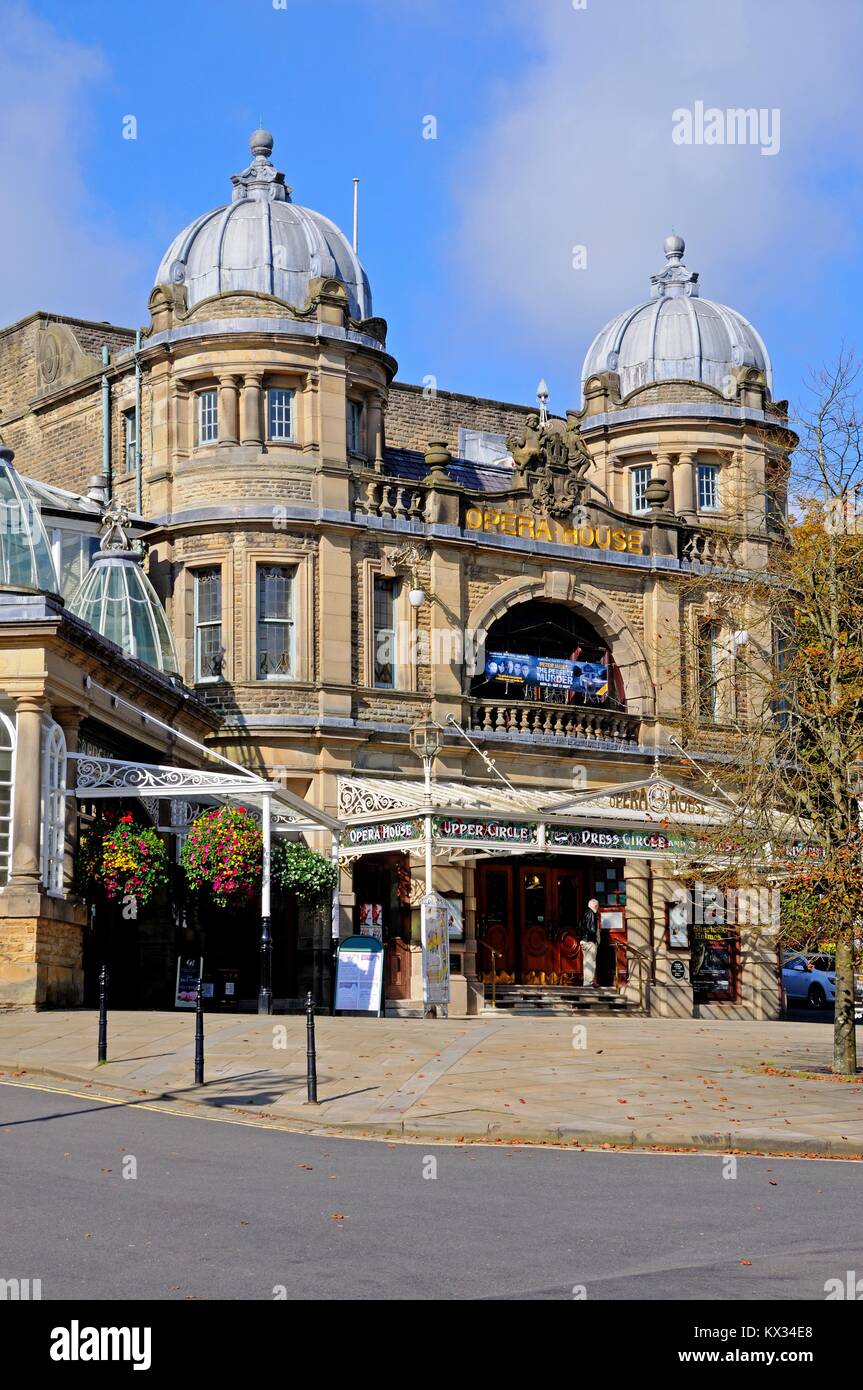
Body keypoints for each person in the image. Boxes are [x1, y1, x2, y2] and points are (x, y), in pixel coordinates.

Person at [578, 897, 600, 986]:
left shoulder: (584, 913)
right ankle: (588, 983)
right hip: (589, 942)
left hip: (584, 940)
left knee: (587, 961)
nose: (598, 908)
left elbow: (579, 928)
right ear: (595, 906)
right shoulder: (591, 913)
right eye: (598, 906)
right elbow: (592, 929)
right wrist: (595, 941)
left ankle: (588, 982)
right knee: (590, 961)